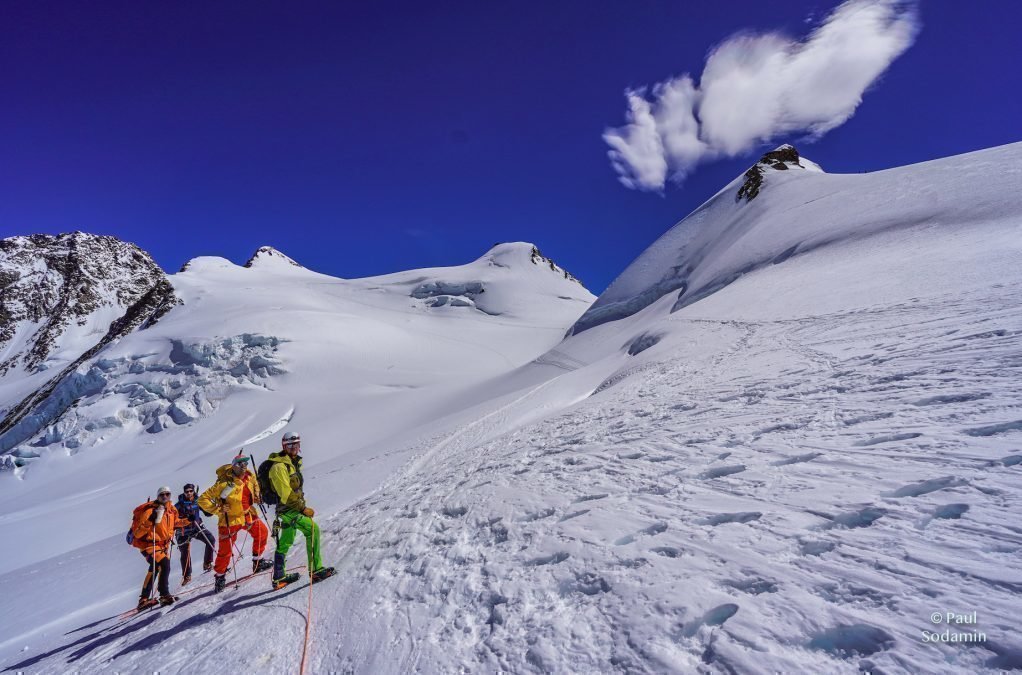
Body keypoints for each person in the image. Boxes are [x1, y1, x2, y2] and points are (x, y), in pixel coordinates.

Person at [265, 431, 334, 589]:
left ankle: (279, 577)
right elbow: (286, 494)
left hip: (289, 509)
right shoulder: (279, 467)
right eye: (290, 444)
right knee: (312, 529)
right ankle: (316, 570)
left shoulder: (291, 463)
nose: (294, 447)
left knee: (286, 541)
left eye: (296, 444)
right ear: (284, 446)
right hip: (289, 510)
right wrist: (303, 509)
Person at [198, 452, 273, 593]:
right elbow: (202, 499)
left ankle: (258, 562)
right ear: (234, 466)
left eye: (246, 463)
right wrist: (218, 509)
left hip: (247, 515)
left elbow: (255, 486)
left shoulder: (249, 477)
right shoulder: (223, 484)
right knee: (225, 551)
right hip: (229, 520)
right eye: (240, 464)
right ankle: (220, 577)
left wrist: (257, 496)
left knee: (262, 533)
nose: (244, 466)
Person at [130, 486, 180, 609]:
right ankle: (164, 595)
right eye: (162, 494)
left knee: (155, 568)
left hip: (163, 545)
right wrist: (150, 521)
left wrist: (188, 520)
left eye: (167, 494)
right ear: (157, 496)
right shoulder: (150, 511)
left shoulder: (171, 510)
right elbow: (138, 533)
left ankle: (144, 599)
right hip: (149, 545)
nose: (165, 497)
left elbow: (175, 524)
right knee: (164, 564)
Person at [173, 483, 215, 585]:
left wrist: (210, 508)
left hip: (196, 527)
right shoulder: (179, 505)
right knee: (185, 552)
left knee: (211, 539)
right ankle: (187, 575)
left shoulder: (198, 501)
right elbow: (173, 519)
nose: (189, 493)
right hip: (183, 531)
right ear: (184, 492)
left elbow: (207, 513)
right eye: (187, 491)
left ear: (194, 491)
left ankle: (207, 563)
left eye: (191, 491)